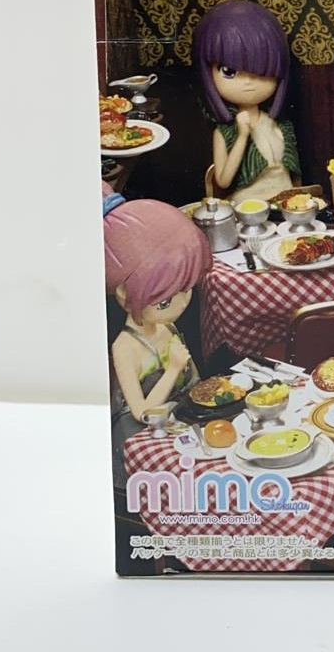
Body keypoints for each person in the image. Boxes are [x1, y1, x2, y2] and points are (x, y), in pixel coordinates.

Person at [104, 188, 211, 486]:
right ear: (124, 293)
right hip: (143, 441)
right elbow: (142, 413)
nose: (181, 305)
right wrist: (173, 369)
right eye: (164, 302)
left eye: (187, 290)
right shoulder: (125, 347)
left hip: (180, 424)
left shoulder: (167, 327)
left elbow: (195, 384)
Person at [192, 0, 301, 202]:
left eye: (261, 72)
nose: (248, 82)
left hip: (285, 206)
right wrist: (242, 136)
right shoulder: (224, 132)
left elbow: (294, 177)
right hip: (247, 209)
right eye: (229, 71)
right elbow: (223, 181)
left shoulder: (281, 125)